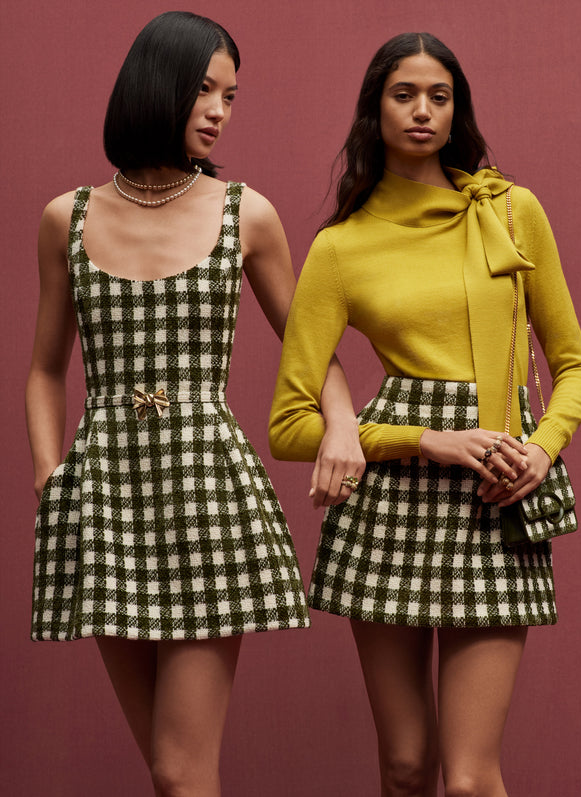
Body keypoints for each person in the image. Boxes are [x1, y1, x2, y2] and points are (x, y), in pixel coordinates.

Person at [26, 12, 363, 797]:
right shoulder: (65, 218)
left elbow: (310, 349)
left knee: (181, 771)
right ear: (156, 85)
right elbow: (45, 369)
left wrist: (341, 421)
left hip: (204, 492)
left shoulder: (247, 212)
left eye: (231, 95)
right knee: (167, 769)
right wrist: (51, 478)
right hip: (103, 501)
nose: (219, 109)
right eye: (203, 89)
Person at [269, 32, 581, 797]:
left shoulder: (510, 209)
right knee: (407, 767)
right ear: (374, 110)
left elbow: (575, 367)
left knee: (473, 776)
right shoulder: (341, 247)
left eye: (439, 97)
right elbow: (290, 425)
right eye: (404, 94)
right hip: (391, 502)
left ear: (457, 112)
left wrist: (542, 451)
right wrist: (425, 439)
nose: (422, 111)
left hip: (499, 489)